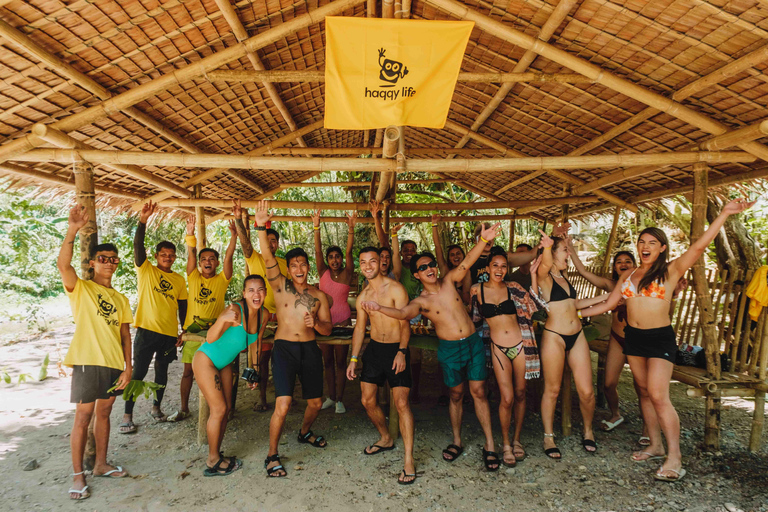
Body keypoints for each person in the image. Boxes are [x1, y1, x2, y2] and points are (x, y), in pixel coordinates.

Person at [577, 197, 753, 482]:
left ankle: (675, 457)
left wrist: (724, 214)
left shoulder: (671, 271)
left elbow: (698, 246)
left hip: (659, 340)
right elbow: (607, 304)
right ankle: (656, 445)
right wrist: (570, 311)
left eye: (651, 243)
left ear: (662, 249)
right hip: (633, 339)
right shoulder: (629, 275)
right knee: (644, 392)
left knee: (659, 395)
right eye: (641, 242)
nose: (644, 247)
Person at [362, 222, 504, 471]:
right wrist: (379, 308)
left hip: (471, 343)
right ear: (416, 274)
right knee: (456, 394)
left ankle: (490, 445)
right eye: (422, 267)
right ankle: (457, 441)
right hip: (449, 348)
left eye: (431, 265)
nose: (429, 269)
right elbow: (404, 313)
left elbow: (467, 262)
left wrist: (483, 241)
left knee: (479, 392)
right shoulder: (421, 301)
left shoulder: (450, 281)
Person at [253, 200, 333, 478]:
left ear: (308, 266)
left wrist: (317, 323)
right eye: (294, 264)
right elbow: (266, 255)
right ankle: (272, 454)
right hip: (285, 349)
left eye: (303, 263)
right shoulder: (279, 285)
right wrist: (261, 226)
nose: (299, 268)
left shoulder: (319, 296)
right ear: (289, 268)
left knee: (315, 402)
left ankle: (304, 432)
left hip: (310, 349)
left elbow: (328, 330)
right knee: (283, 404)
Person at [58, 206, 132, 500]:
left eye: (113, 260)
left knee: (104, 413)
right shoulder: (82, 288)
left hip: (114, 364)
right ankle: (78, 475)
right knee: (83, 417)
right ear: (92, 263)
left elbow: (126, 334)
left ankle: (100, 464)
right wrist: (72, 229)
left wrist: (129, 368)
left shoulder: (121, 298)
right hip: (88, 362)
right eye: (103, 259)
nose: (109, 264)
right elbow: (64, 266)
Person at [535, 230, 608, 458]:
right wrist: (547, 247)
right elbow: (545, 264)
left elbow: (574, 304)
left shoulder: (563, 277)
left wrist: (606, 298)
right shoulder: (544, 276)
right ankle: (548, 437)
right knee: (553, 389)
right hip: (554, 336)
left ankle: (588, 430)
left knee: (587, 392)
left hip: (576, 335)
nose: (569, 253)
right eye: (565, 250)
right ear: (554, 254)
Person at [346, 247, 416, 484]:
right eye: (363, 262)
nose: (367, 266)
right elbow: (359, 328)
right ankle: (385, 437)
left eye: (372, 261)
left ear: (380, 263)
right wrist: (354, 358)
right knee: (367, 399)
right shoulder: (363, 296)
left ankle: (408, 460)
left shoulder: (396, 288)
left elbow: (405, 322)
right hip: (375, 349)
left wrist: (402, 352)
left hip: (397, 348)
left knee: (402, 402)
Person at [470, 246, 542, 467]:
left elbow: (535, 306)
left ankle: (517, 439)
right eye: (495, 265)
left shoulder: (514, 288)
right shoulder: (477, 290)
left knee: (521, 394)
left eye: (503, 266)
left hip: (521, 345)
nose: (499, 270)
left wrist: (533, 276)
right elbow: (473, 319)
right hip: (498, 348)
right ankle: (506, 443)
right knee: (507, 398)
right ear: (488, 268)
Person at [121, 201, 187, 432]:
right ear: (157, 256)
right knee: (138, 372)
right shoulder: (146, 269)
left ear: (175, 258)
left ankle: (156, 408)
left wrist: (184, 330)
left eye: (171, 255)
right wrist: (142, 221)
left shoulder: (179, 280)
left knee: (162, 373)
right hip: (146, 330)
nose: (167, 257)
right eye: (163, 254)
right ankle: (127, 415)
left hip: (168, 334)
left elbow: (183, 306)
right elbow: (137, 246)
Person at [566, 239, 644, 437]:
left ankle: (647, 427)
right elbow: (583, 271)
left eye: (628, 261)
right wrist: (571, 248)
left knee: (641, 386)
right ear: (614, 267)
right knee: (608, 384)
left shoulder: (643, 286)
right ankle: (616, 414)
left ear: (635, 266)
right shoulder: (611, 285)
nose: (624, 264)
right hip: (617, 338)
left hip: (638, 339)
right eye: (619, 262)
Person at [194, 274, 267, 476]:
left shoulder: (264, 314)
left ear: (265, 293)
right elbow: (210, 338)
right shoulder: (235, 310)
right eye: (251, 290)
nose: (256, 294)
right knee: (219, 409)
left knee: (226, 410)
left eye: (260, 289)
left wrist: (254, 370)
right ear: (244, 293)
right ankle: (212, 461)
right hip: (206, 360)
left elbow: (255, 344)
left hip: (225, 364)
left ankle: (216, 453)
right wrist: (222, 319)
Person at [169, 216, 237, 423]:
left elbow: (228, 256)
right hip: (192, 331)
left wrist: (234, 236)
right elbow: (190, 253)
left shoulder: (222, 279)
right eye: (204, 259)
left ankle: (226, 409)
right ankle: (183, 408)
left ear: (216, 263)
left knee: (221, 370)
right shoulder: (193, 277)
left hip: (215, 333)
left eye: (211, 259)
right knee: (188, 372)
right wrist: (190, 235)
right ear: (199, 264)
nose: (208, 262)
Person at [232, 199, 287, 413]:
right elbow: (246, 243)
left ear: (278, 244)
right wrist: (238, 220)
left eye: (274, 241)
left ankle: (284, 397)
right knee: (261, 358)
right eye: (268, 240)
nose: (271, 244)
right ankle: (263, 398)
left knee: (281, 359)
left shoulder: (284, 264)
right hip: (261, 316)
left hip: (280, 318)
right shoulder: (255, 258)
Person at [371, 202, 424, 403]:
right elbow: (385, 246)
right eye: (406, 249)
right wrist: (380, 222)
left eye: (412, 249)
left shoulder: (413, 270)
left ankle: (414, 391)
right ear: (400, 253)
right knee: (391, 358)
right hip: (390, 319)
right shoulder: (393, 269)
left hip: (412, 317)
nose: (409, 252)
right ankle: (388, 395)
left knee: (414, 356)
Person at [312, 209, 356, 414]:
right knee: (327, 361)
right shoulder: (323, 272)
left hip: (344, 321)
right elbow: (318, 252)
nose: (335, 260)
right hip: (325, 323)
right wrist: (316, 226)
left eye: (337, 257)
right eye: (332, 257)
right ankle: (330, 396)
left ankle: (340, 399)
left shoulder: (348, 273)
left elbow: (349, 252)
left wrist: (351, 228)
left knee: (340, 362)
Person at [431, 213, 469, 303]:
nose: (455, 256)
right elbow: (437, 246)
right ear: (448, 258)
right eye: (452, 255)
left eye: (458, 253)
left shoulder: (467, 271)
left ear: (463, 255)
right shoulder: (445, 269)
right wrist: (434, 224)